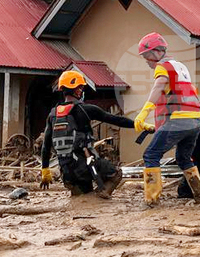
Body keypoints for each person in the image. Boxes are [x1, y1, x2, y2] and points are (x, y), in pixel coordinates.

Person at [133, 33, 200, 205]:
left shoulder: (162, 67)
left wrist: (144, 111)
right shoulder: (180, 67)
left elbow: (159, 87)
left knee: (151, 154)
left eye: (147, 56)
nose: (146, 60)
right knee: (183, 158)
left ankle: (152, 201)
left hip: (178, 120)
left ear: (158, 52)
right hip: (195, 121)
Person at [40, 70, 136, 198]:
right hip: (86, 167)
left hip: (66, 173)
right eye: (81, 87)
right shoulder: (85, 109)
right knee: (116, 173)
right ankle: (100, 196)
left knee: (81, 199)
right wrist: (137, 124)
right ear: (77, 90)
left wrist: (45, 170)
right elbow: (116, 120)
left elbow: (46, 146)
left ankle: (90, 202)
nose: (82, 90)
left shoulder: (53, 114)